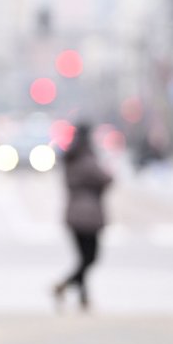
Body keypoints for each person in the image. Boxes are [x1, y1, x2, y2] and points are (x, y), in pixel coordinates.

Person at [53, 123, 113, 311]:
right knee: (90, 258)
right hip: (89, 215)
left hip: (73, 212)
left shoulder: (71, 157)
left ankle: (83, 298)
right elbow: (105, 179)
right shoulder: (87, 159)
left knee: (82, 258)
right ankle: (65, 284)